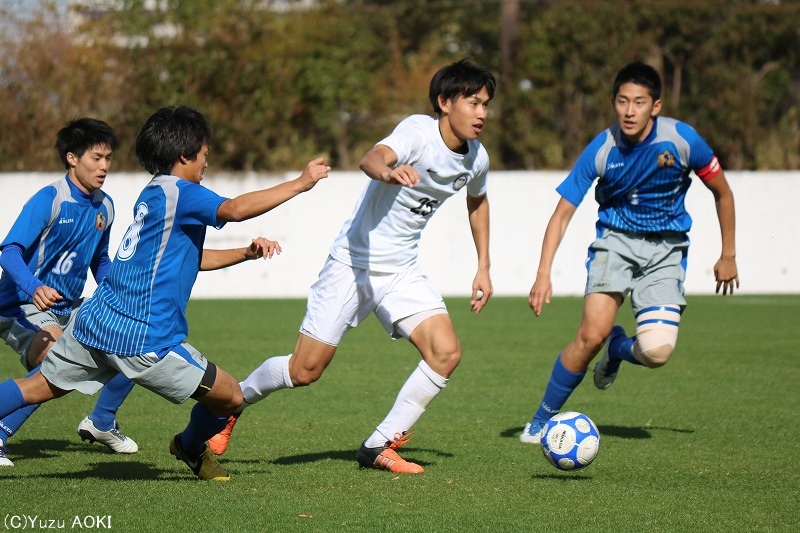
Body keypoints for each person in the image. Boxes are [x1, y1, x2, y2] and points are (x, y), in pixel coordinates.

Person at [0, 105, 331, 480]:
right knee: (231, 397)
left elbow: (188, 258)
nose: (207, 161)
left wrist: (244, 253)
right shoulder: (183, 192)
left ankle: (107, 421)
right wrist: (300, 183)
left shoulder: (155, 191)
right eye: (204, 153)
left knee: (36, 387)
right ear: (185, 154)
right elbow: (235, 209)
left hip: (96, 320)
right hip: (145, 336)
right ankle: (189, 446)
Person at [208, 58, 496, 474]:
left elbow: (478, 201)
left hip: (400, 270)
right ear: (444, 102)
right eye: (473, 102)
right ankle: (231, 404)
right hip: (353, 264)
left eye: (486, 104)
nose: (482, 113)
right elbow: (371, 158)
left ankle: (380, 444)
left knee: (446, 353)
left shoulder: (477, 158)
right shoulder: (418, 132)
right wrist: (388, 173)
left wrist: (483, 265)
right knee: (304, 370)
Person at [519, 61, 739, 444]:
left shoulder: (683, 141)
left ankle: (618, 349)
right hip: (615, 244)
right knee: (591, 336)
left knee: (657, 353)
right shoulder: (602, 148)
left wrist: (729, 254)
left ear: (656, 106)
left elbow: (723, 192)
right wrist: (543, 273)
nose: (629, 111)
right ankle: (541, 420)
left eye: (639, 102)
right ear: (614, 103)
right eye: (622, 101)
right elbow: (562, 214)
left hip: (666, 250)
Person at [0, 118, 138, 467]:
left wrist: (120, 294)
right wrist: (34, 287)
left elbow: (101, 260)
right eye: (96, 158)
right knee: (55, 358)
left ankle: (102, 421)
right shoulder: (50, 199)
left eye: (108, 158)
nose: (104, 166)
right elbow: (9, 251)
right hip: (21, 305)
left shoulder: (105, 207)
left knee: (135, 340)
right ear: (72, 158)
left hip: (69, 306)